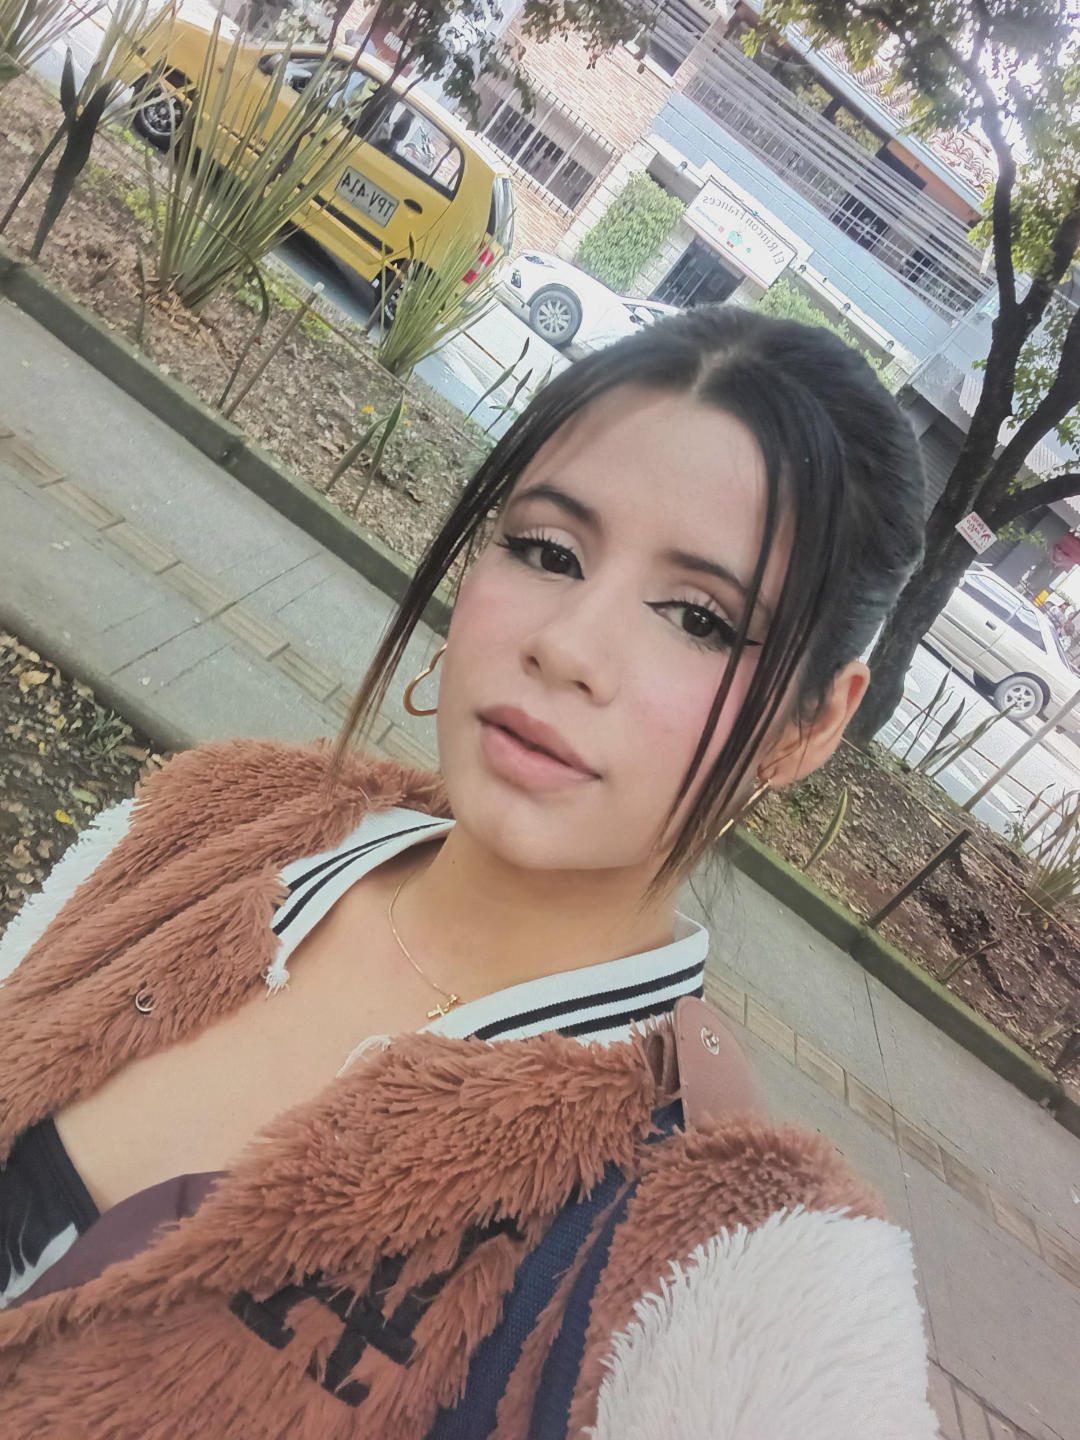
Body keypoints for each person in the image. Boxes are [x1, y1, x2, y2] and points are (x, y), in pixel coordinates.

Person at [0, 307, 936, 1437]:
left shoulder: (744, 1268)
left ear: (810, 726)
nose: (567, 645)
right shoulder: (208, 824)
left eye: (698, 617)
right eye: (548, 551)